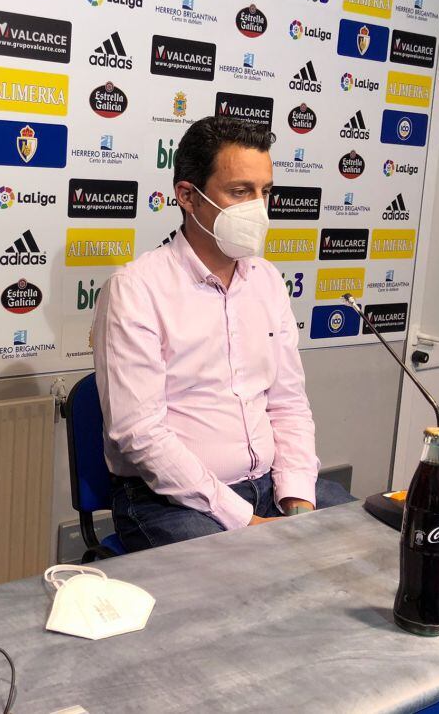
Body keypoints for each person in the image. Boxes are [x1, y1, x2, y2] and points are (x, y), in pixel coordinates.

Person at [92, 116, 354, 553]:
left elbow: (288, 404)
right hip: (170, 503)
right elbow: (140, 432)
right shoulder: (135, 289)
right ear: (188, 197)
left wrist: (297, 501)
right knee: (247, 579)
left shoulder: (267, 281)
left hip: (271, 486)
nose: (258, 207)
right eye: (240, 192)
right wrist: (244, 521)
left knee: (359, 542)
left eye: (265, 192)